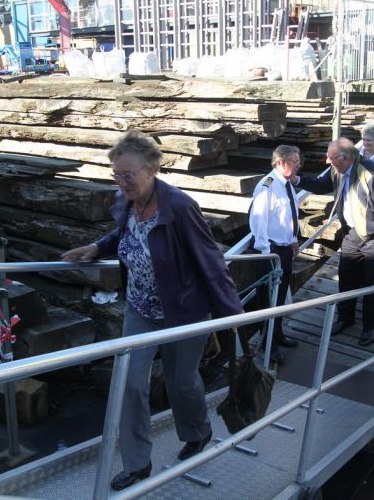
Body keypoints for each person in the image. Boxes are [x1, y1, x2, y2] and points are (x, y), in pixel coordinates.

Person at [61, 131, 243, 490]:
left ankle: (198, 432)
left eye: (128, 175)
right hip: (140, 309)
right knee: (129, 383)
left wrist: (234, 316)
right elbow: (126, 236)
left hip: (183, 311)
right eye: (116, 175)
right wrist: (97, 247)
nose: (121, 182)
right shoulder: (127, 201)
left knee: (181, 382)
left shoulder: (179, 207)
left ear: (151, 169)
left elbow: (211, 261)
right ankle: (137, 463)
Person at [292, 138, 374, 346]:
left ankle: (370, 325)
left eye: (331, 158)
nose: (328, 161)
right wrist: (297, 180)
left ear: (347, 158)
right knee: (347, 278)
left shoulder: (372, 173)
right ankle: (345, 318)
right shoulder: (337, 170)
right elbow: (322, 185)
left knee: (373, 283)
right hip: (351, 234)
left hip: (373, 237)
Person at [249, 145, 302, 364]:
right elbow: (258, 221)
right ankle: (268, 345)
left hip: (284, 249)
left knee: (279, 297)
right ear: (281, 162)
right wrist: (265, 253)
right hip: (270, 252)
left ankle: (277, 333)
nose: (298, 165)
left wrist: (293, 238)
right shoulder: (267, 186)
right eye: (295, 162)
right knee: (268, 301)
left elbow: (287, 215)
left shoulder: (286, 184)